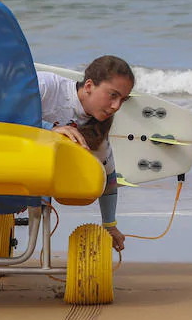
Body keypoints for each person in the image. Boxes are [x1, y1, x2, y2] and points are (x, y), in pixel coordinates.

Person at [38, 56, 136, 252]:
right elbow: (0, 115)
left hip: (38, 181)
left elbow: (108, 178)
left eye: (122, 100)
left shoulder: (97, 133)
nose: (117, 106)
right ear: (89, 85)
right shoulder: (47, 86)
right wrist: (49, 128)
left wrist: (109, 226)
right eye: (112, 95)